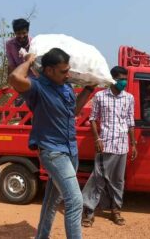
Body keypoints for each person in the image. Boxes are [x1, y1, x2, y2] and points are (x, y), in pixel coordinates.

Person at [8, 48, 95, 239]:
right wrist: (30, 61)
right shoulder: (37, 88)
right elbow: (15, 78)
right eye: (64, 71)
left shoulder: (66, 87)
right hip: (52, 152)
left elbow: (72, 112)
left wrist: (89, 89)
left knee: (51, 200)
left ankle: (41, 236)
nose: (68, 74)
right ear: (48, 70)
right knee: (74, 200)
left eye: (69, 70)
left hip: (70, 149)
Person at [81, 66, 137, 227]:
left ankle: (116, 210)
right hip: (104, 145)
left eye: (125, 79)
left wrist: (133, 144)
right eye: (120, 79)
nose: (123, 82)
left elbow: (130, 122)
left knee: (118, 180)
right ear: (112, 79)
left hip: (122, 145)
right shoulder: (100, 96)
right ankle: (89, 210)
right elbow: (92, 119)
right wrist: (97, 138)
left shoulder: (129, 98)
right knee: (98, 179)